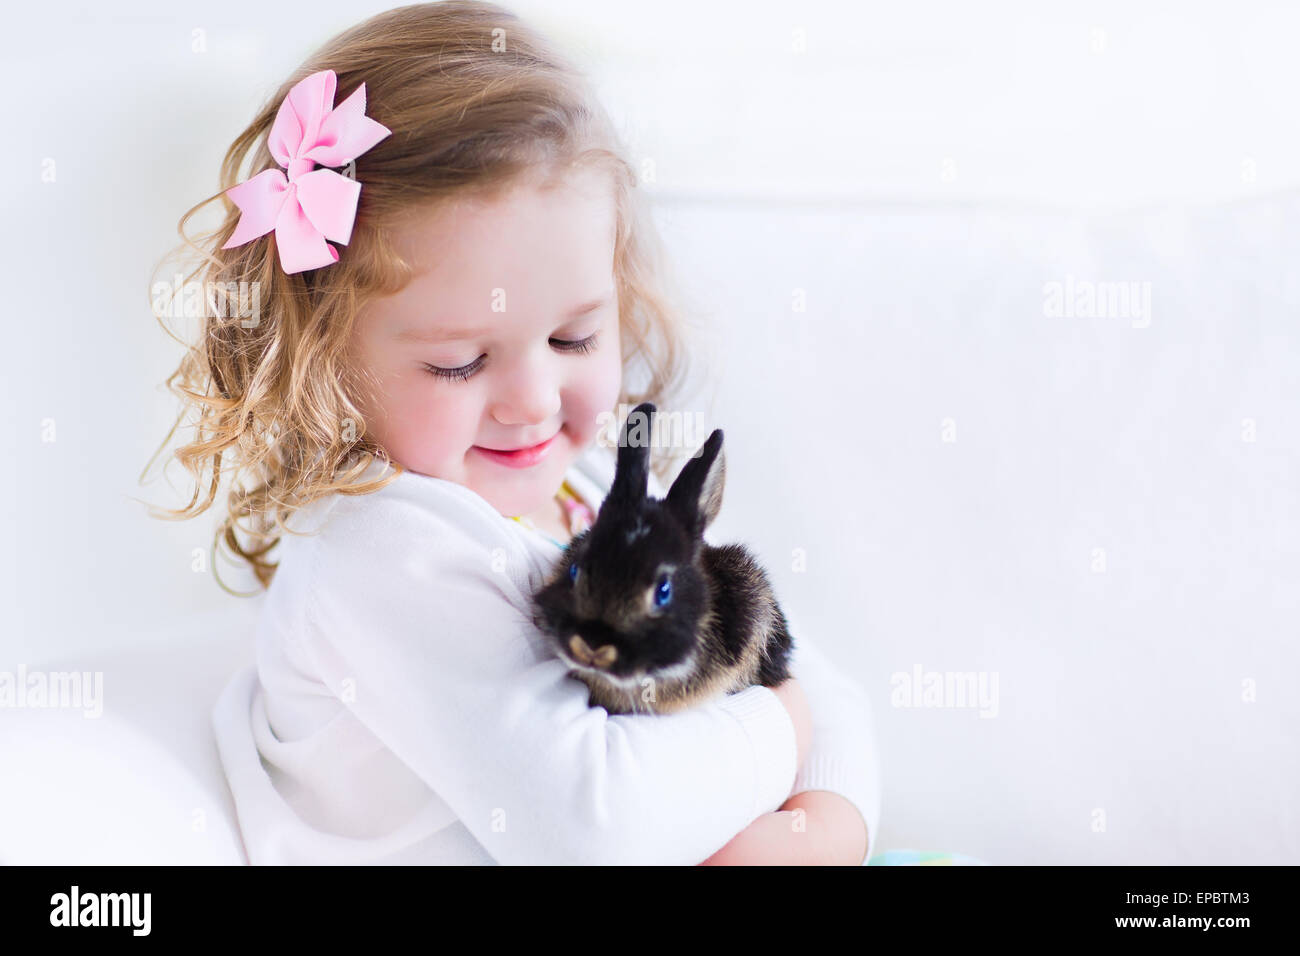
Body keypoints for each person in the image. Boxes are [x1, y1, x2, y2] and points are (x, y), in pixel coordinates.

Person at [148, 0, 881, 865]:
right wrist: (781, 733)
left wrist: (825, 822)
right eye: (461, 361)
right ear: (326, 362)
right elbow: (598, 829)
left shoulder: (580, 487)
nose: (533, 401)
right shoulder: (383, 550)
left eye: (574, 338)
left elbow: (803, 669)